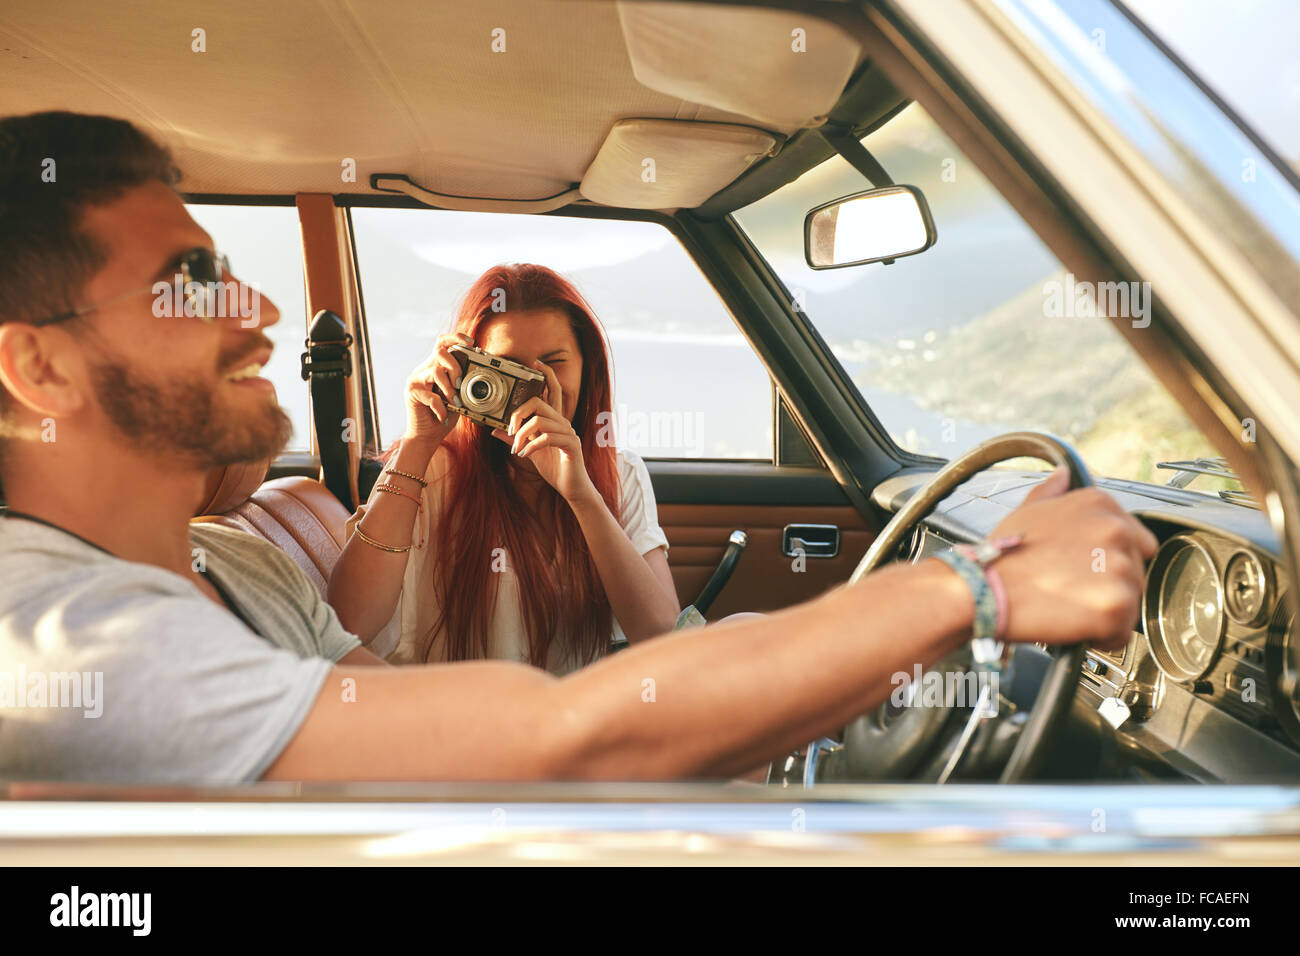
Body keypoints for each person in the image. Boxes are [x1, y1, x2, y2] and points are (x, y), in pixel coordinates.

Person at [0, 112, 1157, 784]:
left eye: (553, 366)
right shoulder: (55, 641)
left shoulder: (233, 570)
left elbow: (389, 696)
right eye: (191, 282)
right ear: (37, 367)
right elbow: (562, 735)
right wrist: (979, 585)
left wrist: (580, 497)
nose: (256, 311)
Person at [327, 265, 680, 674]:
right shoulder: (431, 470)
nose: (535, 385)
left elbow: (661, 637)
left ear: (587, 368)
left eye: (553, 363)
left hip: (568, 727)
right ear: (469, 373)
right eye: (508, 368)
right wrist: (418, 442)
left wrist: (581, 495)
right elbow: (348, 624)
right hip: (454, 727)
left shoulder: (620, 474)